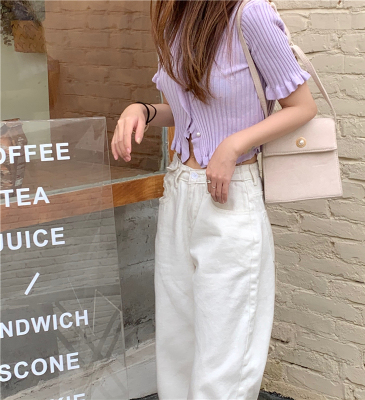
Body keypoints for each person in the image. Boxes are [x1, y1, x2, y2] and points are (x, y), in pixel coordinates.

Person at [112, 0, 317, 399]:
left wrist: (234, 144)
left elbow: (302, 106)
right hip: (178, 192)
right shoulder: (174, 19)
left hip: (230, 197)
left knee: (226, 356)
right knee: (177, 343)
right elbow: (190, 110)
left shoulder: (250, 14)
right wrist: (142, 110)